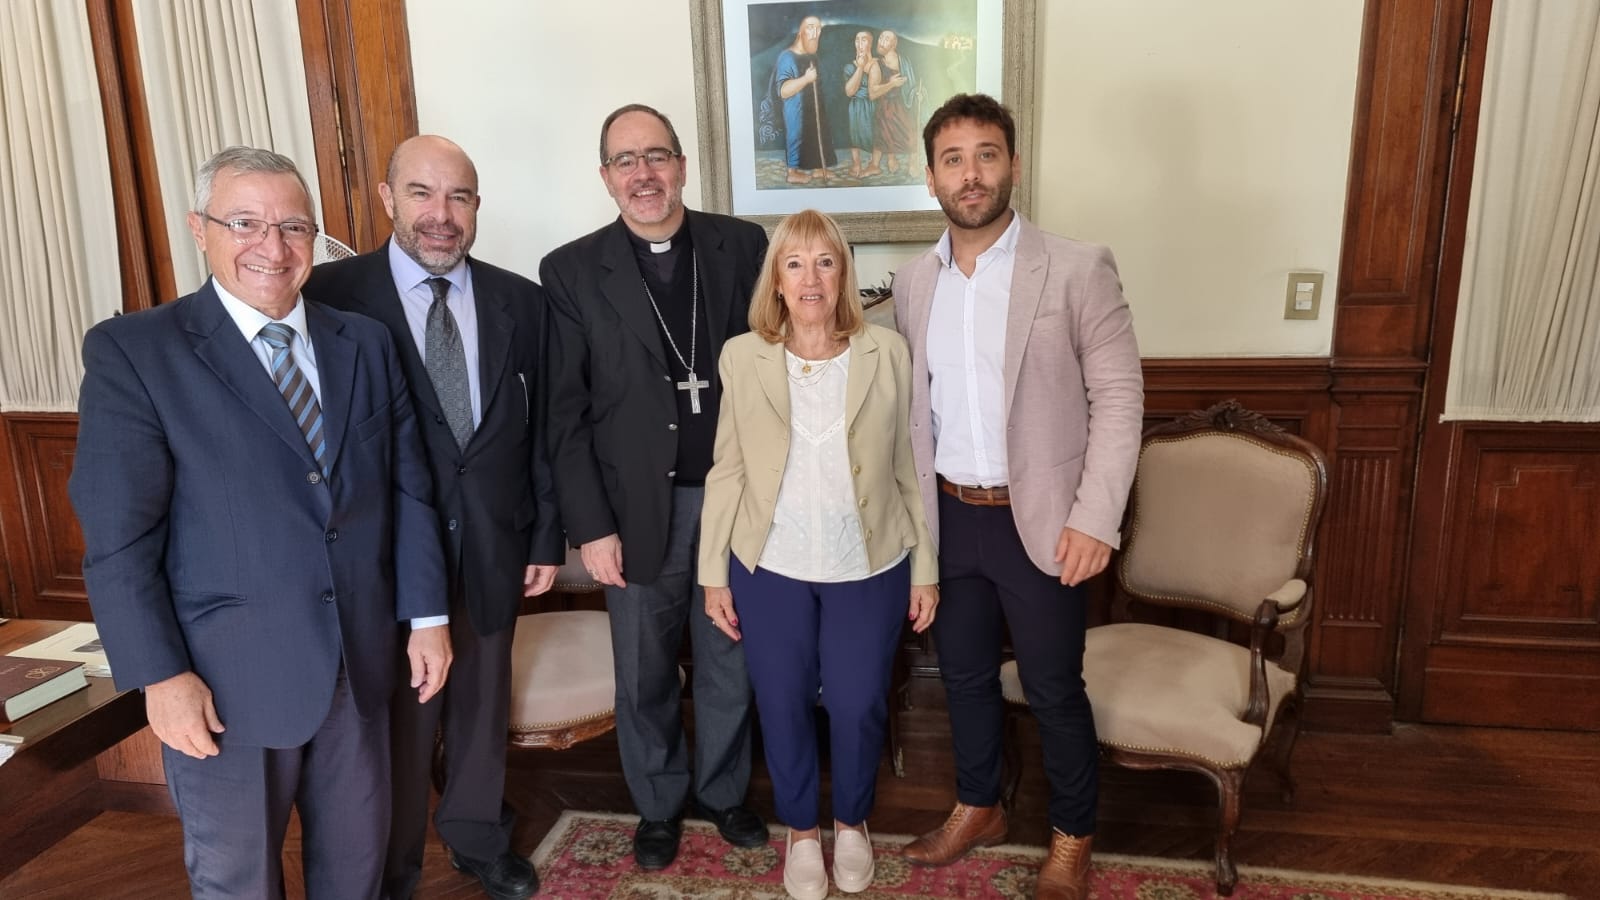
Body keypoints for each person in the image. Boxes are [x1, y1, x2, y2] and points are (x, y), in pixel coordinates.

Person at [68, 146, 451, 900]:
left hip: (360, 668)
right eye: (244, 223)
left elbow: (408, 489)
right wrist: (160, 676)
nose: (272, 248)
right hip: (223, 684)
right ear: (199, 229)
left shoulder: (364, 342)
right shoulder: (136, 352)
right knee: (237, 882)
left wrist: (429, 617)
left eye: (294, 227)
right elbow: (119, 540)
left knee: (359, 873)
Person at [892, 94, 1143, 900]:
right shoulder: (912, 283)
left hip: (1044, 523)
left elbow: (1120, 399)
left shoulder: (1076, 267)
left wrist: (1096, 518)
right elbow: (913, 415)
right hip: (949, 517)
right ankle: (979, 806)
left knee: (1052, 687)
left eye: (987, 154)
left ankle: (1072, 836)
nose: (971, 173)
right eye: (953, 159)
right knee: (963, 677)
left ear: (1014, 165)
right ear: (931, 177)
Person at [303, 134, 562, 900]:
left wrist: (545, 535)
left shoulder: (522, 301)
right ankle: (393, 869)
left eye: (459, 197)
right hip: (380, 557)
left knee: (482, 706)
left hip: (495, 543)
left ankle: (478, 837)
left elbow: (542, 428)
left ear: (478, 206)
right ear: (388, 198)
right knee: (397, 725)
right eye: (421, 193)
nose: (441, 214)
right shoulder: (328, 294)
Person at [541, 103, 771, 871]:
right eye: (626, 161)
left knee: (730, 655)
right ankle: (660, 803)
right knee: (643, 669)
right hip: (633, 508)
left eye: (657, 156)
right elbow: (565, 413)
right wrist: (590, 526)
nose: (644, 174)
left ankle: (724, 792)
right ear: (606, 177)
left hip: (735, 498)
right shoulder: (571, 270)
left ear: (681, 165)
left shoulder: (742, 246)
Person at [699, 209, 939, 900]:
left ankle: (852, 820)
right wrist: (713, 574)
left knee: (860, 703)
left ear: (843, 274)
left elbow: (908, 466)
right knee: (781, 703)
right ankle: (802, 831)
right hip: (770, 567)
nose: (811, 278)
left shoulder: (888, 352)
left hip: (869, 565)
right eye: (795, 263)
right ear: (776, 279)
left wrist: (925, 568)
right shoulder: (742, 356)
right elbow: (728, 469)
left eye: (825, 261)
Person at [773, 15, 836, 184]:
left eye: (818, 29)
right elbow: (783, 91)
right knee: (796, 133)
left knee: (815, 132)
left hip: (813, 108)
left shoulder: (812, 56)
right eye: (810, 28)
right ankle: (792, 172)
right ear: (800, 33)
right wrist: (806, 79)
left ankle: (817, 167)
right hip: (796, 107)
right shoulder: (787, 57)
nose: (815, 33)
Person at [869, 30, 920, 175]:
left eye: (886, 39)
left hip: (904, 104)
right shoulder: (877, 65)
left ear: (894, 44)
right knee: (886, 134)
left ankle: (913, 164)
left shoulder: (905, 62)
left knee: (911, 135)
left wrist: (918, 93)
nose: (881, 41)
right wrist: (891, 84)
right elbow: (872, 93)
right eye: (880, 38)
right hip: (885, 106)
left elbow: (912, 85)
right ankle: (890, 160)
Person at [843, 31, 881, 178]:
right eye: (857, 40)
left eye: (863, 40)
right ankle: (856, 163)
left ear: (870, 43)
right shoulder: (850, 67)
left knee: (876, 133)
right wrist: (860, 67)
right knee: (855, 134)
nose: (859, 44)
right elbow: (849, 91)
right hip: (856, 106)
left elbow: (875, 90)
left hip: (874, 104)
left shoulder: (877, 64)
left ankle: (874, 165)